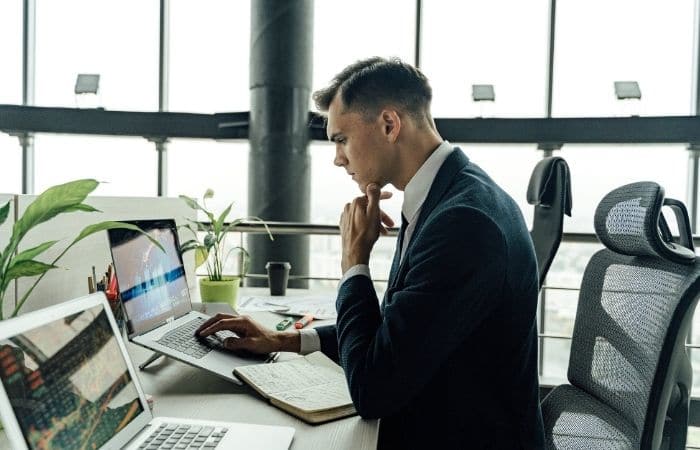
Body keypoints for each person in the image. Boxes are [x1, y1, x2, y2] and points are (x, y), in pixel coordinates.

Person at [197, 57, 544, 449]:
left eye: (341, 139)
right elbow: (398, 336)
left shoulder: (463, 223)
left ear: (389, 125)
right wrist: (285, 340)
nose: (337, 158)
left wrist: (354, 263)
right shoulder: (447, 196)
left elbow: (373, 390)